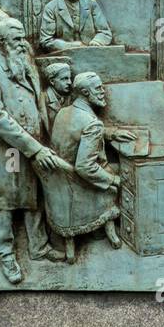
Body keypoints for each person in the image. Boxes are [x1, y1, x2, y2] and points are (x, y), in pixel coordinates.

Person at [0, 15, 66, 282]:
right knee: (3, 202)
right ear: (1, 42)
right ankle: (5, 256)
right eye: (16, 39)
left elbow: (36, 99)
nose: (23, 43)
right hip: (7, 151)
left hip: (33, 143)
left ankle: (39, 248)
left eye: (24, 37)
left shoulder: (24, 61)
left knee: (32, 196)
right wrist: (34, 148)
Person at [45, 72, 136, 256]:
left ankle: (90, 235)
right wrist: (114, 180)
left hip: (59, 183)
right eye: (99, 89)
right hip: (79, 184)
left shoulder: (64, 111)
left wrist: (109, 133)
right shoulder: (91, 123)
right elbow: (85, 167)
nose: (104, 92)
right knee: (126, 174)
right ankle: (111, 231)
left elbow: (77, 132)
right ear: (86, 93)